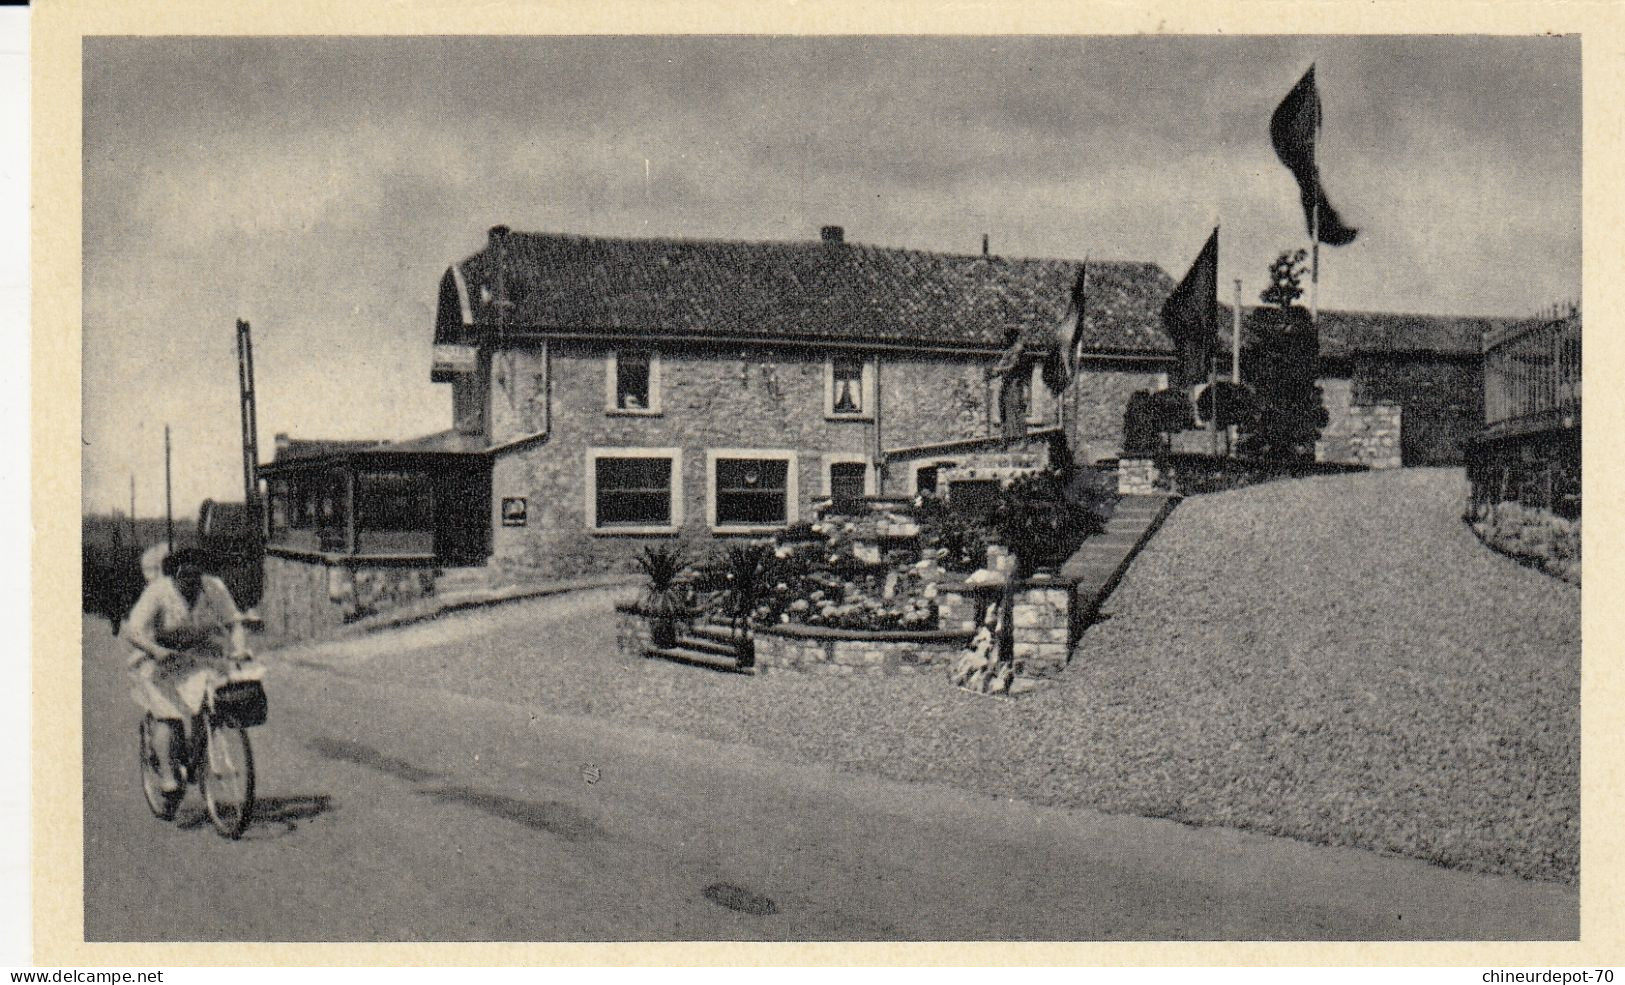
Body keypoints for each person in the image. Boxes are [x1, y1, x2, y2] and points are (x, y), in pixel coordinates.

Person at [123, 547, 250, 793]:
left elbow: (233, 622)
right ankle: (169, 776)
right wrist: (156, 651)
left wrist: (239, 649)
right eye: (185, 578)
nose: (192, 583)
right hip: (160, 658)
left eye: (196, 576)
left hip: (198, 654)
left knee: (214, 696)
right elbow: (133, 631)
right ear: (173, 576)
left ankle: (200, 751)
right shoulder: (158, 592)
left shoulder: (213, 587)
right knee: (168, 715)